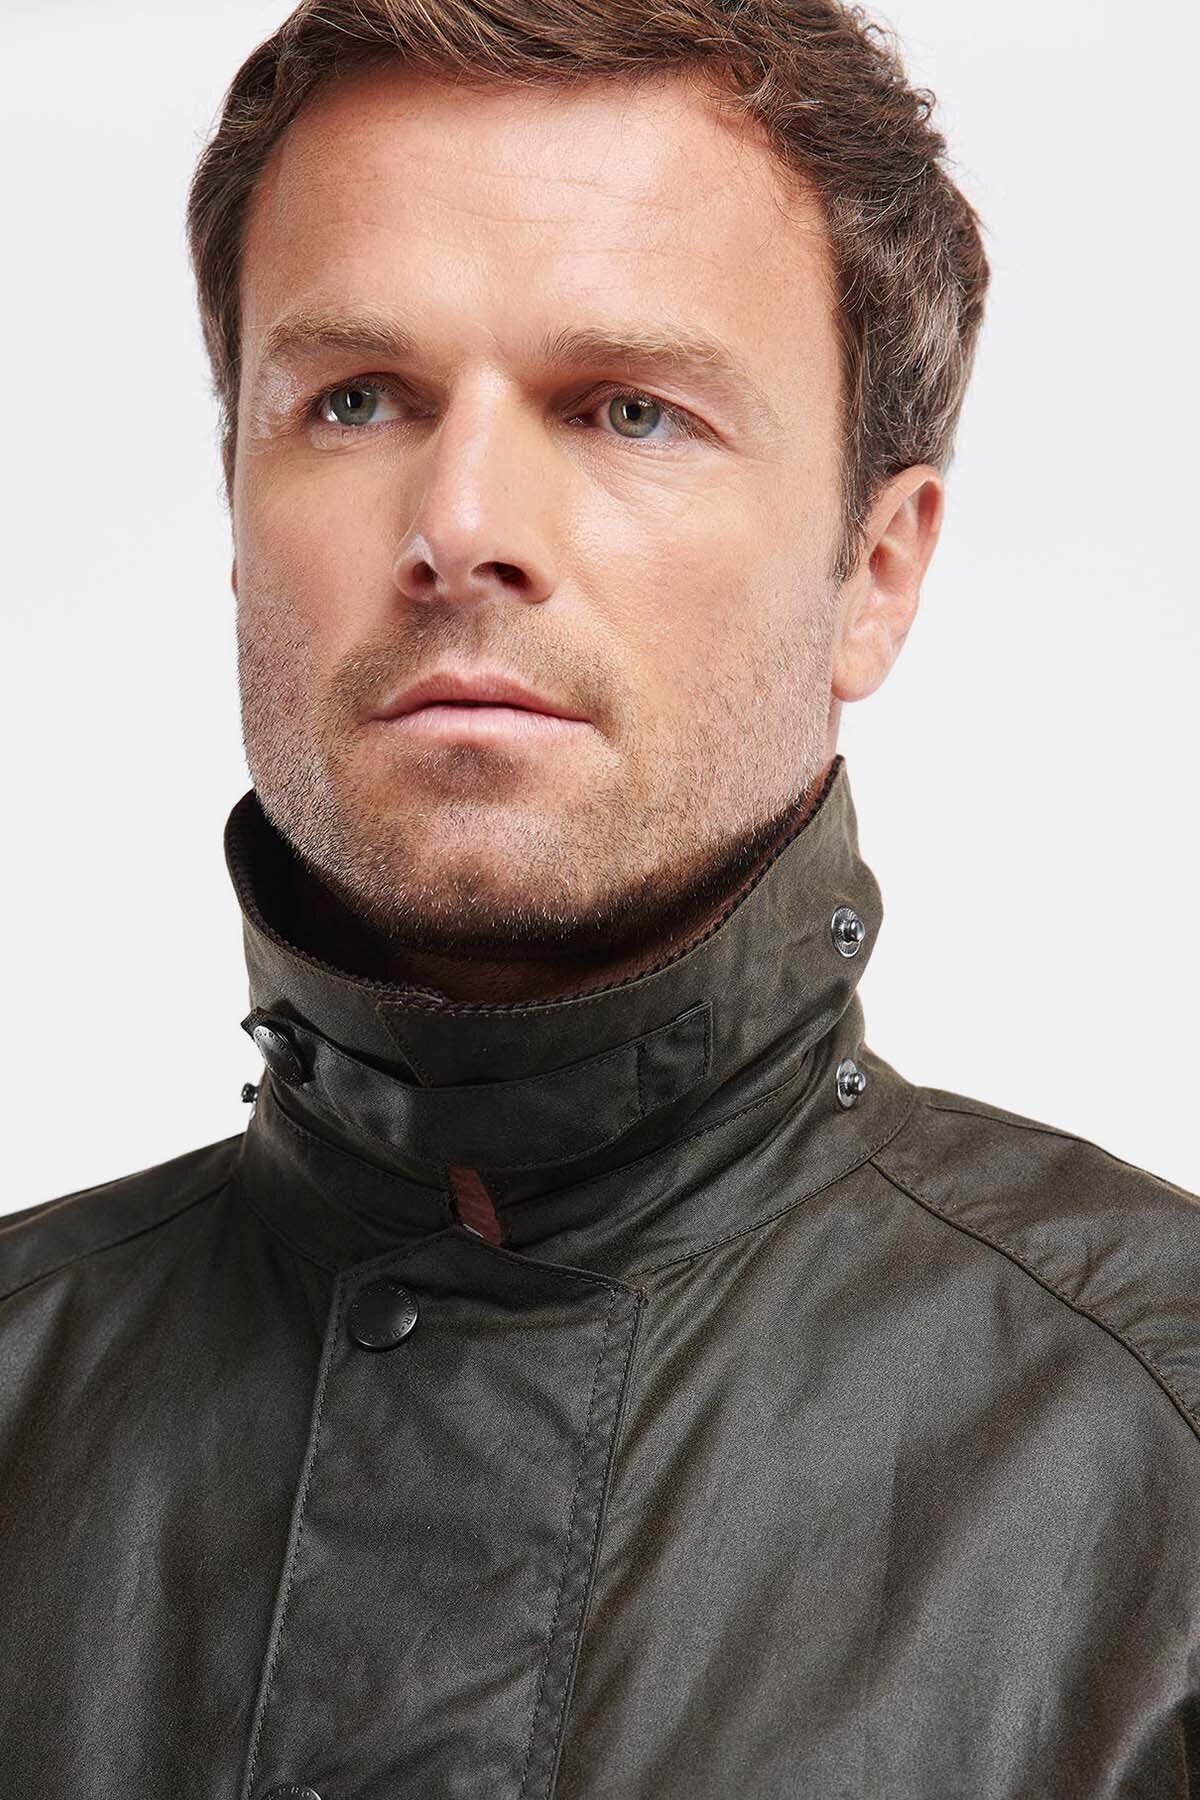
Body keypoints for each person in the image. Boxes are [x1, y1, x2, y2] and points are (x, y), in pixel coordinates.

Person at [3, 0, 1197, 1794]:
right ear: (239, 513)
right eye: (355, 400)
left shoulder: (1165, 1451)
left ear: (875, 571)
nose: (462, 522)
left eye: (629, 409)